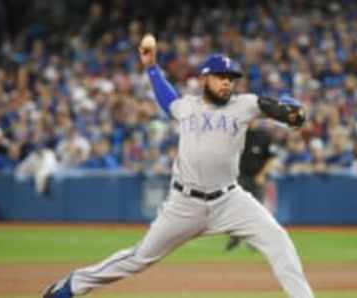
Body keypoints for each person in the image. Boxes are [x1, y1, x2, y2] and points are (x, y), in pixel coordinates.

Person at [42, 34, 314, 298]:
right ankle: (72, 286)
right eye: (221, 77)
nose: (227, 83)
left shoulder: (245, 105)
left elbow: (275, 107)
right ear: (205, 77)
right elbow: (166, 97)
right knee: (138, 258)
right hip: (186, 203)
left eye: (231, 79)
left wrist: (291, 115)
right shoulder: (186, 107)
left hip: (230, 199)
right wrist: (151, 68)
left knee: (279, 241)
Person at [225, 119, 278, 251]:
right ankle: (235, 238)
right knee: (237, 209)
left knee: (257, 210)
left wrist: (262, 174)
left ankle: (255, 241)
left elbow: (271, 158)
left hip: (256, 178)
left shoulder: (264, 136)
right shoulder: (238, 135)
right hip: (240, 178)